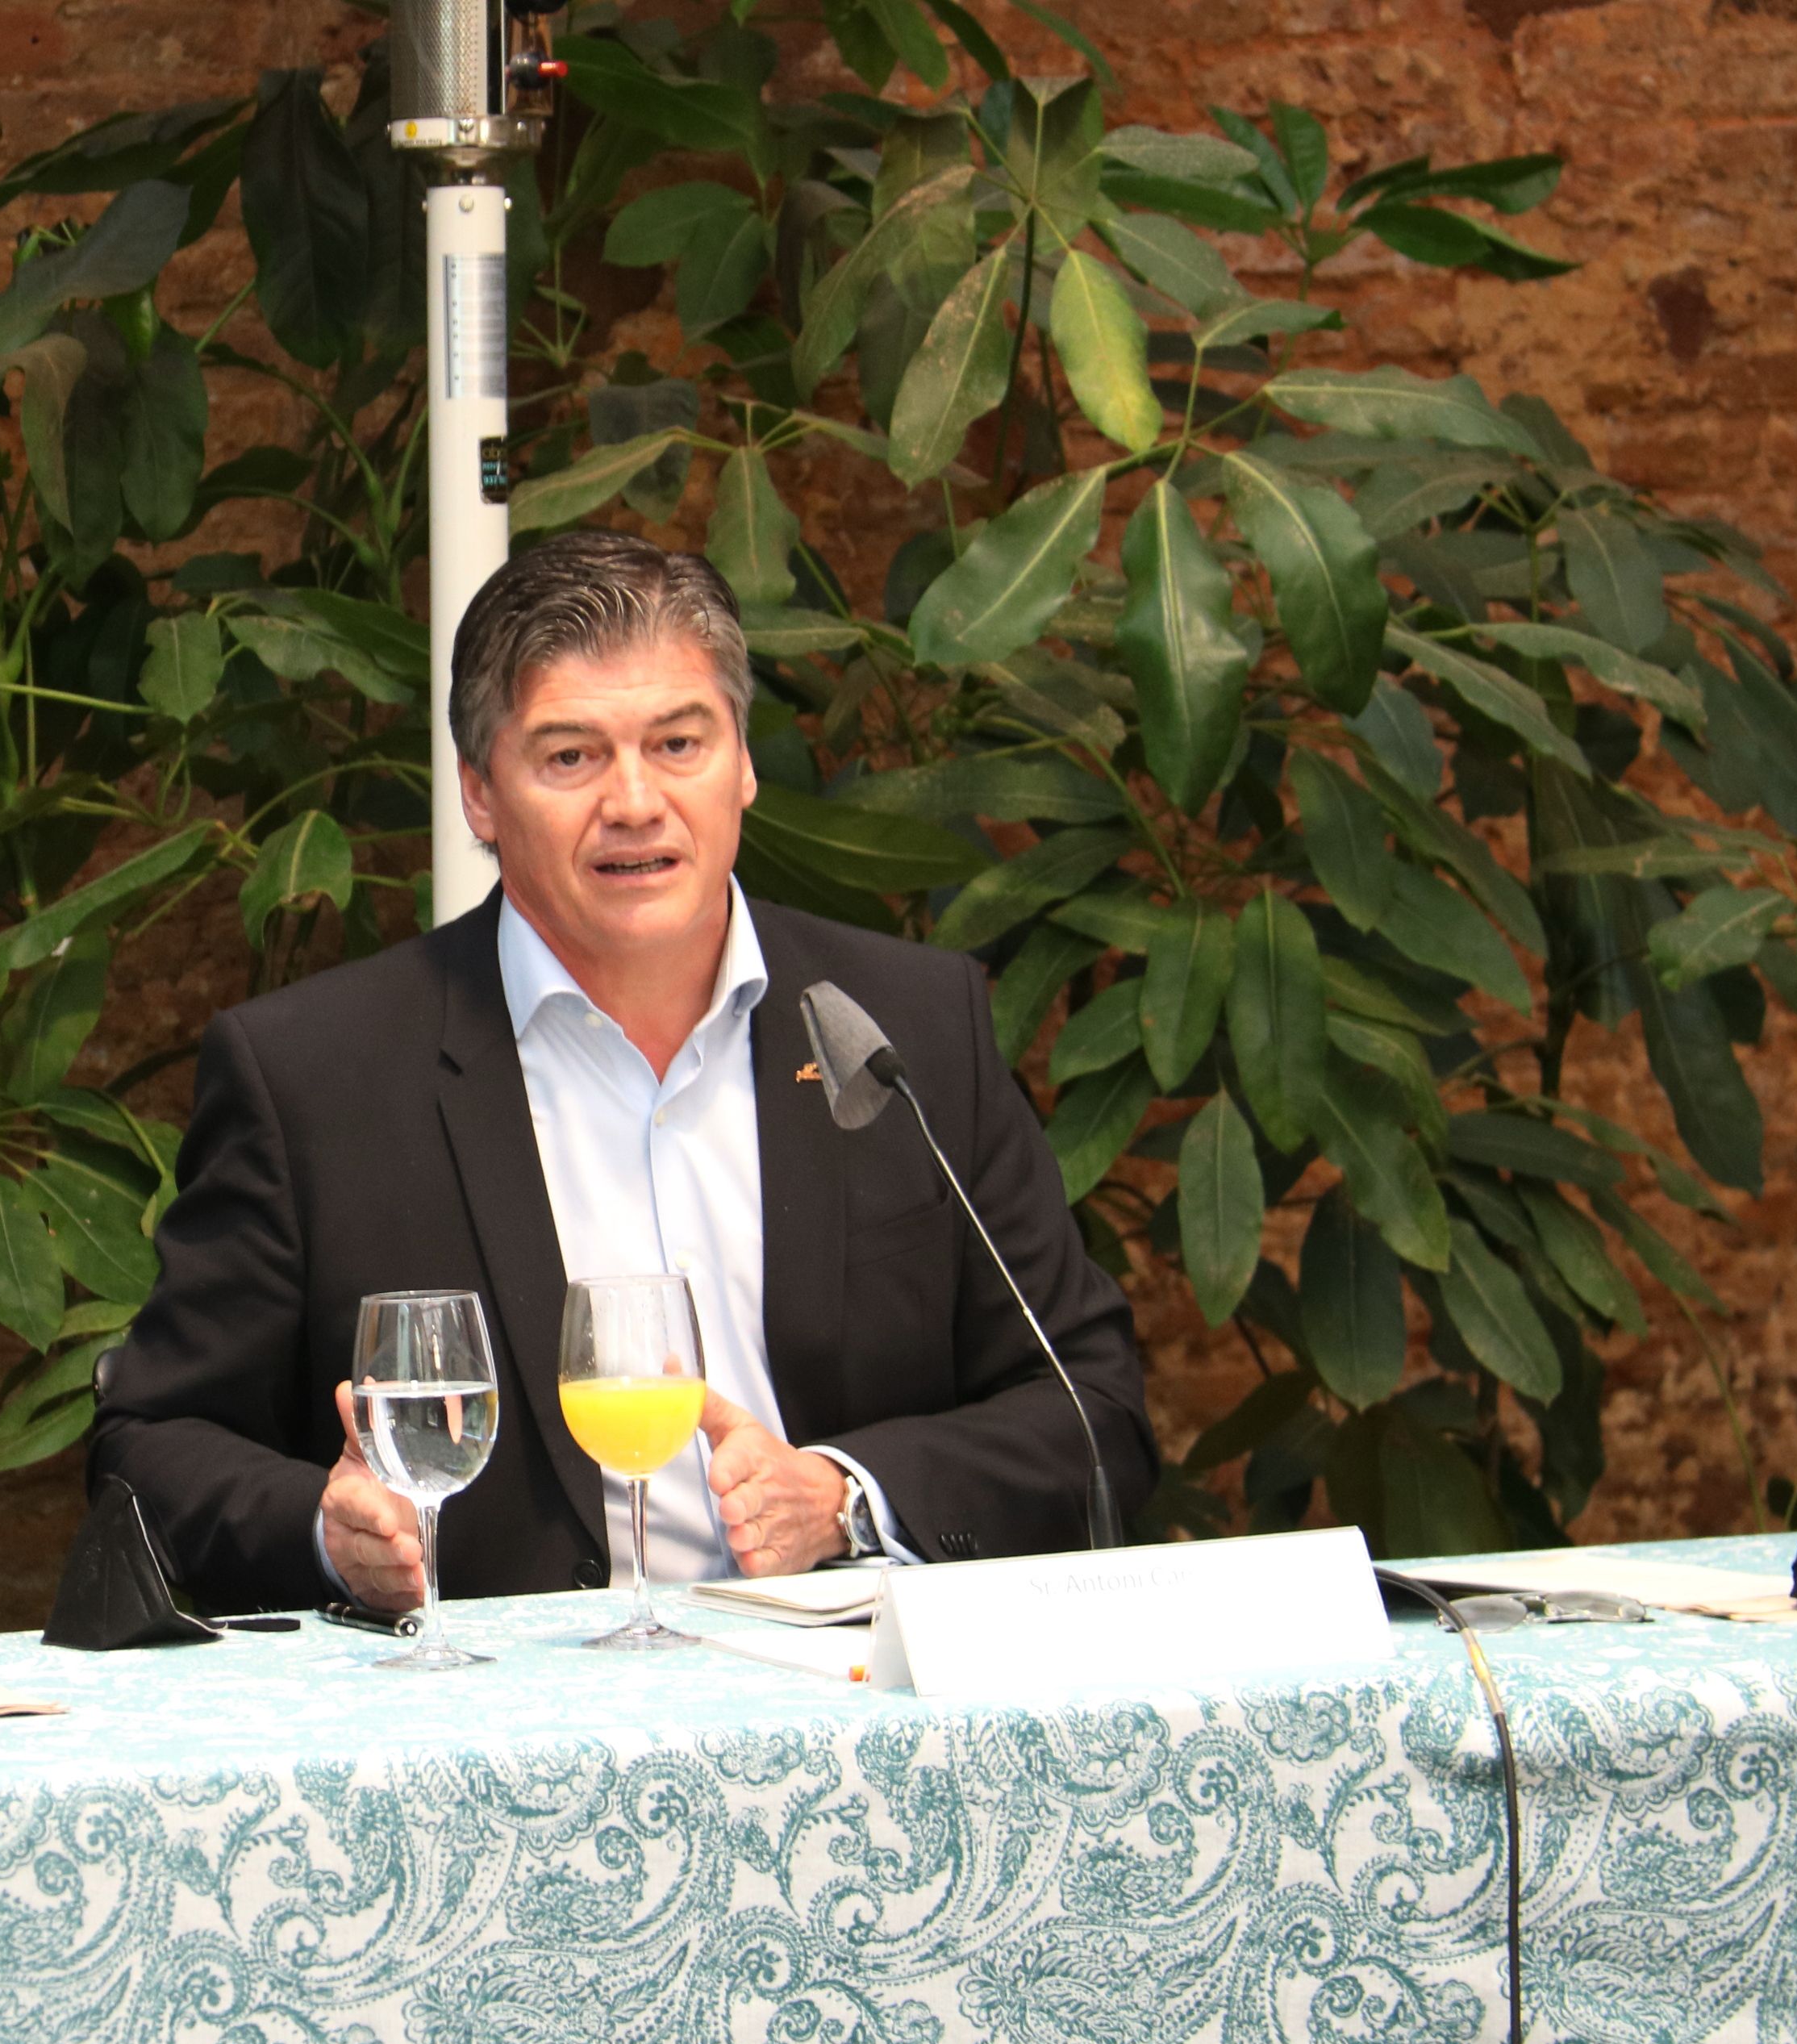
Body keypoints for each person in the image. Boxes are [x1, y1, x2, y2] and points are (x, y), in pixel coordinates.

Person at [90, 532, 1155, 1615]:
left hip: (850, 1701)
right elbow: (148, 1446)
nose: (635, 801)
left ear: (741, 762)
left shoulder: (906, 1028)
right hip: (491, 1735)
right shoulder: (315, 1077)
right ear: (479, 795)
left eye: (678, 742)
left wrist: (842, 1498)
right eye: (569, 757)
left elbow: (1089, 1407)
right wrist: (323, 1529)